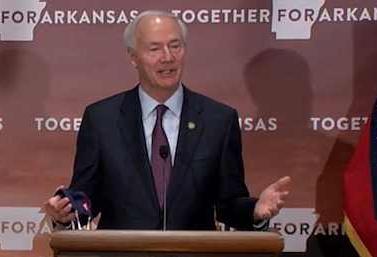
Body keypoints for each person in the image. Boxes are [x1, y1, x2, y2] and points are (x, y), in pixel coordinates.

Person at [44, 10, 290, 230]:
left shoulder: (219, 120)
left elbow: (228, 204)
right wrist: (65, 214)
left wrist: (255, 212)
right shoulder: (101, 119)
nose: (168, 57)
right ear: (133, 57)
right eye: (154, 49)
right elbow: (85, 201)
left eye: (175, 46)